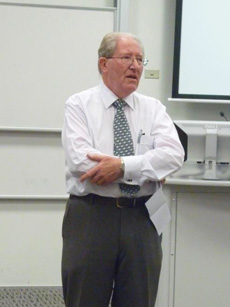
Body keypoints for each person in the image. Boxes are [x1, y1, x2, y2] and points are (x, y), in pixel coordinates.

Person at [61, 32, 184, 307]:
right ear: (104, 64)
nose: (136, 66)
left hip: (143, 216)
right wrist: (147, 166)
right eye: (127, 58)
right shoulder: (79, 105)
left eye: (140, 59)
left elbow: (174, 155)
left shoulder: (153, 109)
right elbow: (82, 162)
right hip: (92, 215)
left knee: (140, 299)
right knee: (85, 299)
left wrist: (123, 166)